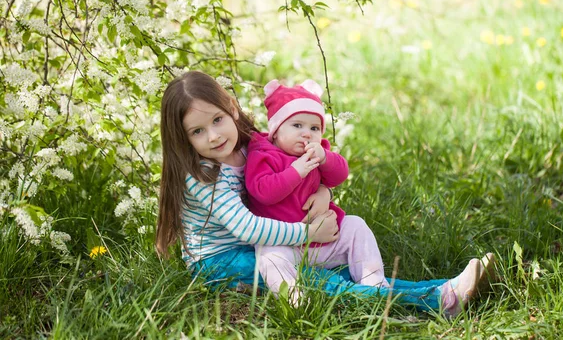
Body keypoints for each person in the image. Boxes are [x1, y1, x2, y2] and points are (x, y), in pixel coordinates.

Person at [155, 71, 495, 318]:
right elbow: (248, 229)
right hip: (220, 263)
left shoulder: (249, 144)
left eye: (216, 119)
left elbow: (296, 173)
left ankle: (445, 287)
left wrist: (322, 187)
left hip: (261, 242)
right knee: (320, 283)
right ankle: (439, 300)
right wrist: (307, 233)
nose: (213, 136)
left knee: (342, 273)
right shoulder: (202, 176)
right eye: (198, 131)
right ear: (183, 139)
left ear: (230, 108)